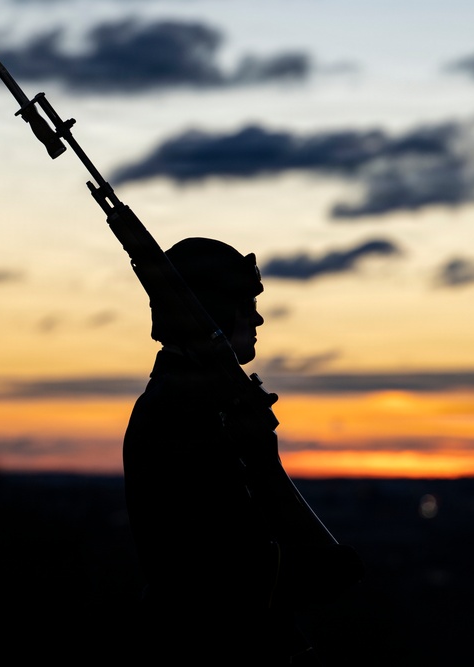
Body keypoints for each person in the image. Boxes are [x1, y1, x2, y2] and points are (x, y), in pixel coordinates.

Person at [123, 237, 364, 665]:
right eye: (245, 303)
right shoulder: (179, 412)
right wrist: (317, 570)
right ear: (213, 309)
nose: (258, 318)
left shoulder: (198, 404)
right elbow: (217, 574)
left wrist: (261, 458)